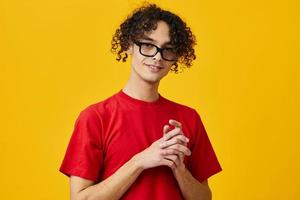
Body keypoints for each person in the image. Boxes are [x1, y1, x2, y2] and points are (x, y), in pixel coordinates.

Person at [59, 3, 222, 200]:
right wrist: (139, 162)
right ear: (129, 46)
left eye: (167, 49)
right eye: (147, 45)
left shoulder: (189, 118)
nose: (156, 57)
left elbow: (204, 198)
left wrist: (178, 168)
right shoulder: (96, 117)